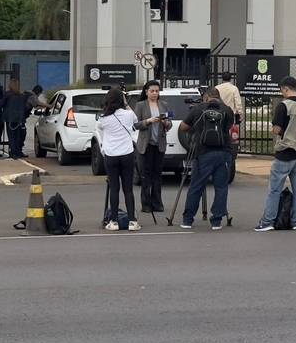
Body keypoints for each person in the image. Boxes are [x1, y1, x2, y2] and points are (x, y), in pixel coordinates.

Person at [255, 77, 296, 232]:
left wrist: (282, 131)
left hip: (285, 151)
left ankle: (268, 221)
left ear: (285, 89)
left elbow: (276, 129)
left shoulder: (283, 106)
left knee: (275, 189)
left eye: (282, 90)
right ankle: (295, 222)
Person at [179, 87, 235, 230]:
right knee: (221, 188)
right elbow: (229, 127)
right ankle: (216, 221)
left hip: (203, 153)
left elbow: (183, 127)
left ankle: (187, 220)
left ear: (206, 96)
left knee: (196, 187)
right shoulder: (227, 110)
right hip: (223, 153)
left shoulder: (197, 109)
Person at [96, 88, 141, 231]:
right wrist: (126, 102)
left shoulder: (104, 118)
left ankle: (114, 221)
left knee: (114, 188)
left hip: (111, 155)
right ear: (122, 100)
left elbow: (99, 126)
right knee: (128, 189)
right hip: (127, 154)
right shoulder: (128, 115)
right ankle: (132, 221)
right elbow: (135, 119)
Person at [133, 80, 171, 213]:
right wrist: (148, 121)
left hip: (159, 143)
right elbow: (135, 124)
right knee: (145, 174)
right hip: (146, 144)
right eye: (152, 91)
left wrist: (165, 123)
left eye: (156, 91)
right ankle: (146, 204)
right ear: (146, 92)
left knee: (157, 174)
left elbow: (169, 124)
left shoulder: (163, 104)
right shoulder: (141, 105)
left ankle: (157, 203)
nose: (155, 93)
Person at [1, 79, 30, 159]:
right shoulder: (22, 96)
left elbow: (1, 104)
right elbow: (25, 107)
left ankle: (12, 152)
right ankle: (17, 152)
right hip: (19, 118)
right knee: (17, 136)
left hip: (10, 118)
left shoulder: (7, 94)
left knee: (11, 136)